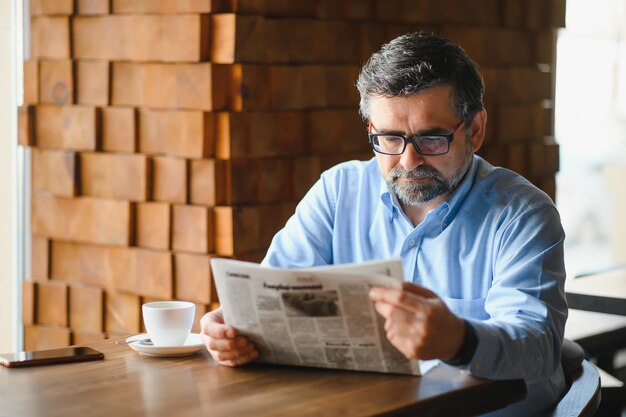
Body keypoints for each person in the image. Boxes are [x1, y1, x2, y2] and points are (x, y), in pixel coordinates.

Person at [201, 32, 567, 416]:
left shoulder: (523, 213)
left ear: (474, 130)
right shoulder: (337, 191)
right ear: (372, 130)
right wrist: (237, 329)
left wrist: (460, 340)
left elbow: (539, 346)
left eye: (431, 139)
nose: (409, 162)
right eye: (390, 138)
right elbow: (273, 295)